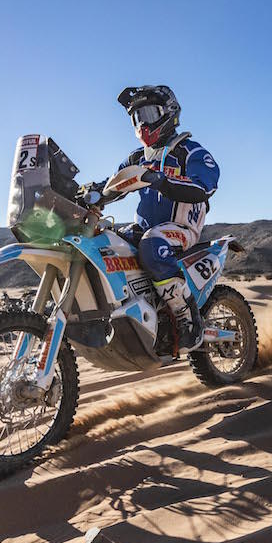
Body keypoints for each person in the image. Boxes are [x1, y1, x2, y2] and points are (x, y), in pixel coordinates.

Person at [111, 85, 220, 352]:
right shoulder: (136, 158)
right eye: (137, 118)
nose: (142, 124)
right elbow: (112, 184)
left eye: (148, 114)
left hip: (182, 228)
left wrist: (163, 181)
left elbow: (205, 185)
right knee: (109, 241)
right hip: (146, 228)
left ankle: (186, 317)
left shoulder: (191, 151)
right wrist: (87, 192)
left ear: (168, 113)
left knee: (151, 244)